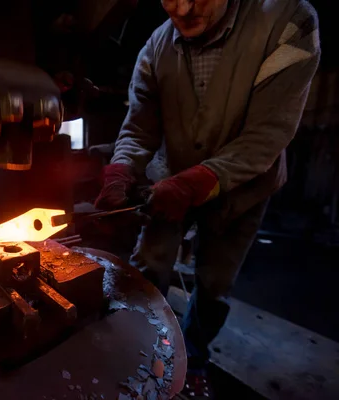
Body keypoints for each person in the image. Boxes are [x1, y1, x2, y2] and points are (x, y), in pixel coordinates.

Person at [95, 0, 320, 397]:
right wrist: (121, 169)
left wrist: (196, 183)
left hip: (244, 185)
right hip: (168, 178)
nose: (182, 8)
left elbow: (267, 134)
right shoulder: (155, 48)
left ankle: (194, 357)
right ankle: (141, 350)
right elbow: (139, 129)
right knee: (148, 264)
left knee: (215, 282)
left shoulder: (289, 22)